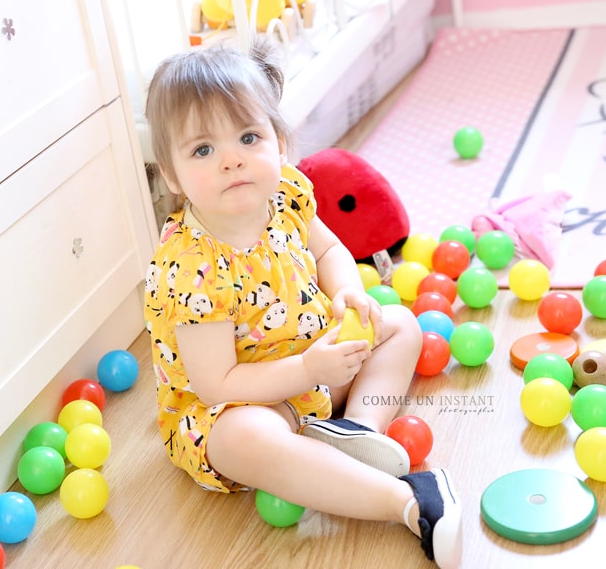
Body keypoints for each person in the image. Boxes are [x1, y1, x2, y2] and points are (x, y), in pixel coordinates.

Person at [142, 37, 462, 569]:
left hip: (315, 368)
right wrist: (308, 367)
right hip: (240, 406)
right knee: (242, 439)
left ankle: (356, 433)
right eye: (203, 149)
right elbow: (216, 384)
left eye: (248, 137)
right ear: (172, 177)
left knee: (400, 324)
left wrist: (347, 293)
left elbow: (330, 247)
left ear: (279, 144)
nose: (232, 161)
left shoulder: (285, 193)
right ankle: (408, 503)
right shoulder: (191, 267)